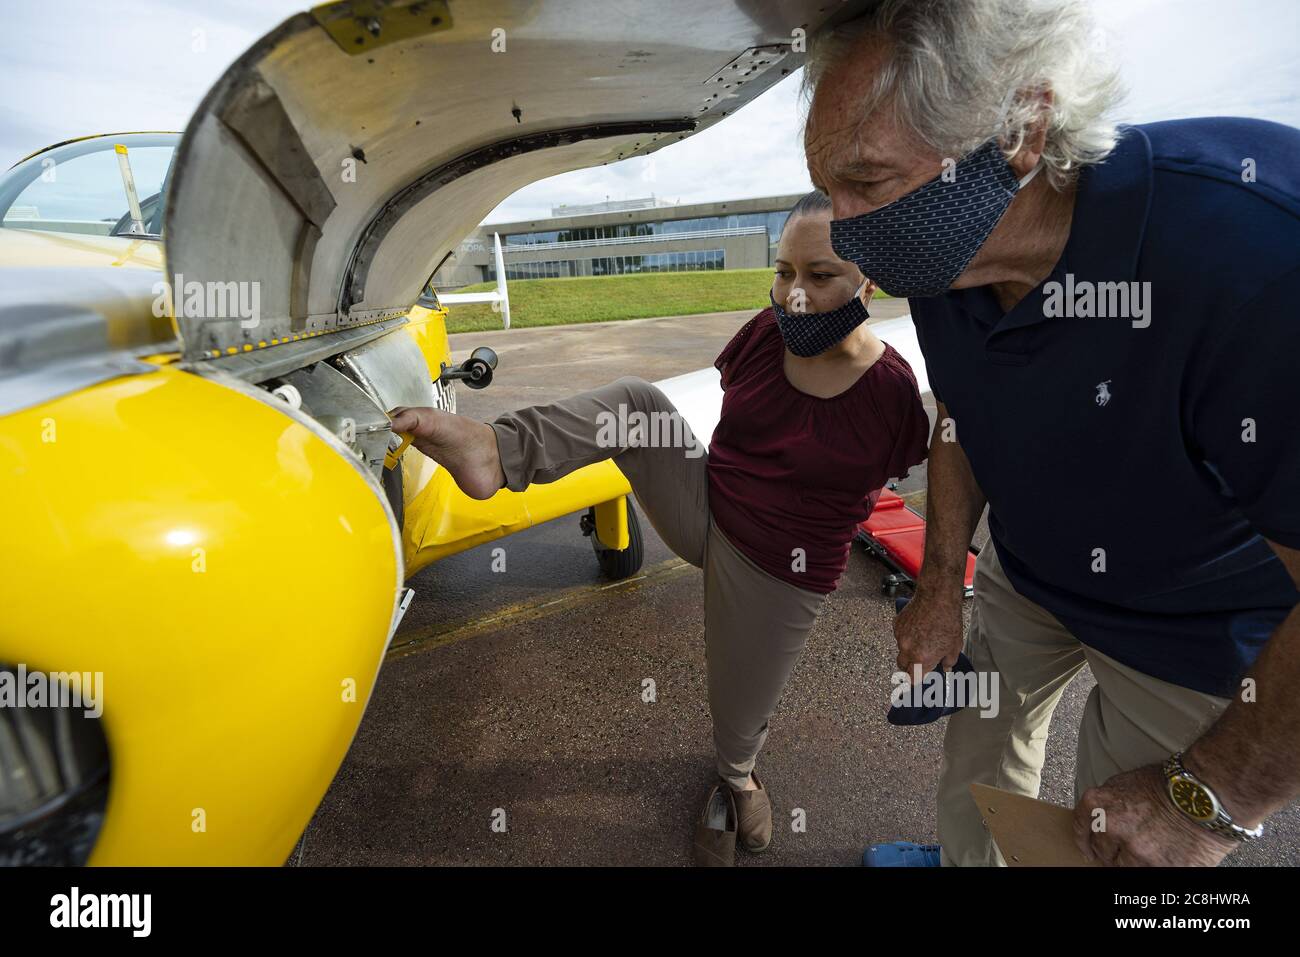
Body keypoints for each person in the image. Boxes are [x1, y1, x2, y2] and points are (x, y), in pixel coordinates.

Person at [800, 0, 1300, 866]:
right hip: (1024, 579)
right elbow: (959, 410)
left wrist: (1212, 798)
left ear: (1022, 129)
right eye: (829, 188)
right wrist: (941, 582)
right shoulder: (942, 249)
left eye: (868, 183)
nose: (845, 228)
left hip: (1191, 631)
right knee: (978, 779)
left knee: (1116, 847)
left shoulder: (1256, 250)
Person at [388, 191, 929, 866]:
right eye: (785, 271)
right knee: (636, 402)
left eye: (820, 276)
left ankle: (737, 777)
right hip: (706, 504)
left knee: (736, 719)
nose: (794, 294)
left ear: (866, 278)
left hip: (780, 571)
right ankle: (496, 451)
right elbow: (739, 429)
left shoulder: (890, 390)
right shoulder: (766, 334)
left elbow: (908, 472)